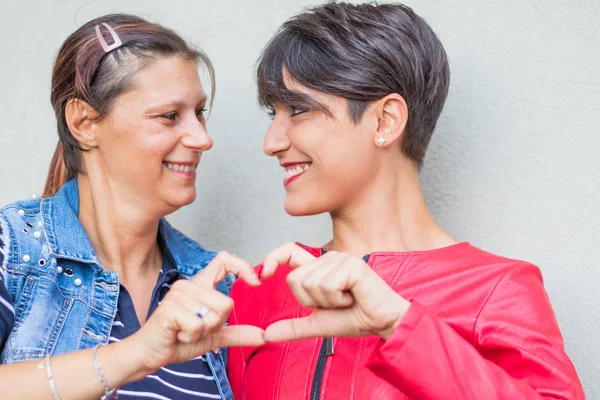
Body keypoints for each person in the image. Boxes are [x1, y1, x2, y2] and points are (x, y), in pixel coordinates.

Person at [228, 2, 585, 399]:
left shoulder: (498, 289)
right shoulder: (257, 289)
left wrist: (400, 324)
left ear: (385, 121)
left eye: (298, 110)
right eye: (272, 114)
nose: (271, 142)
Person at [0, 14, 263, 400]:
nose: (202, 138)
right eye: (169, 116)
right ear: (84, 122)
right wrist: (135, 355)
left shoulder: (218, 286)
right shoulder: (13, 249)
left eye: (199, 112)